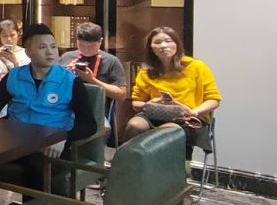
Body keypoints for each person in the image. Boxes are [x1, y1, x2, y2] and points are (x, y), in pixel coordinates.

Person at [0, 23, 97, 205]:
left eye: (53, 46)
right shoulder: (14, 76)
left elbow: (89, 125)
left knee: (36, 168)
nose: (50, 52)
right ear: (28, 51)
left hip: (51, 146)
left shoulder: (70, 81)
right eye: (42, 47)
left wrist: (63, 137)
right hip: (15, 143)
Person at [126, 26, 220, 159]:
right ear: (151, 47)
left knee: (167, 131)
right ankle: (131, 164)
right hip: (156, 115)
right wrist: (151, 103)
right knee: (134, 125)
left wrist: (194, 112)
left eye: (168, 41)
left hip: (188, 119)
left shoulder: (197, 67)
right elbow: (136, 103)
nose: (163, 46)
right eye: (157, 42)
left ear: (177, 44)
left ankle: (170, 168)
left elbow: (214, 100)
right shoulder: (146, 72)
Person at [57, 22, 128, 106]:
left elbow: (121, 95)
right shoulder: (66, 57)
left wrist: (92, 80)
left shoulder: (111, 61)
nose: (86, 50)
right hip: (65, 106)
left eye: (91, 46)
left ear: (100, 41)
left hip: (97, 108)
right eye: (82, 45)